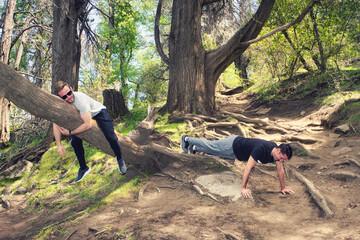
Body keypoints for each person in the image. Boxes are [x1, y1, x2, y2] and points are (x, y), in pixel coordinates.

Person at [53, 81, 127, 182]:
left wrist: (70, 133)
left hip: (98, 113)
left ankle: (119, 158)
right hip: (82, 116)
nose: (68, 97)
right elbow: (55, 122)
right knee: (75, 142)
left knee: (111, 137)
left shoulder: (80, 100)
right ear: (61, 98)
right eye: (64, 97)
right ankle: (84, 168)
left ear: (71, 88)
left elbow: (88, 125)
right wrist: (59, 144)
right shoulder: (63, 103)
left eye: (69, 93)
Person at [180, 135, 293, 198]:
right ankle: (186, 139)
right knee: (212, 146)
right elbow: (248, 167)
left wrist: (283, 188)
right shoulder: (261, 148)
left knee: (216, 152)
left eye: (283, 159)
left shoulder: (276, 155)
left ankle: (194, 148)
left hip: (237, 154)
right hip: (233, 144)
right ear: (278, 150)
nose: (281, 160)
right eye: (281, 158)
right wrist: (243, 188)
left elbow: (280, 170)